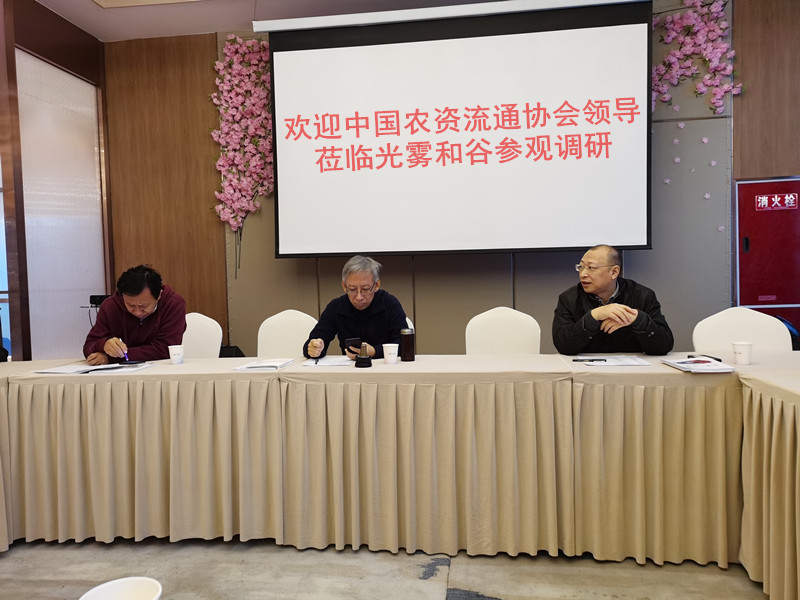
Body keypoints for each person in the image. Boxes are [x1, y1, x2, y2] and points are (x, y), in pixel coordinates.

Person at [552, 244, 674, 355]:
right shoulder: (569, 299)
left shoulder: (642, 296)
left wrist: (638, 320)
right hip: (585, 369)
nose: (583, 274)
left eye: (591, 267)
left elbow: (664, 346)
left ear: (614, 272)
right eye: (581, 267)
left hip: (631, 370)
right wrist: (593, 317)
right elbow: (563, 346)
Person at [304, 255, 407, 360]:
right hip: (350, 368)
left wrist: (375, 351)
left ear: (376, 285)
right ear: (344, 286)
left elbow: (405, 345)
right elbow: (311, 344)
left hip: (386, 366)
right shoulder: (336, 307)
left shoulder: (390, 304)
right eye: (352, 289)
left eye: (365, 289)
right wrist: (315, 349)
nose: (359, 297)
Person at [83, 265, 186, 365]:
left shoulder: (174, 304)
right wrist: (104, 345)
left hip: (160, 369)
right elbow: (89, 346)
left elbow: (164, 349)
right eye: (130, 305)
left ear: (159, 295)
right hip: (119, 373)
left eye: (143, 306)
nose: (137, 312)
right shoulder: (110, 306)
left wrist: (112, 358)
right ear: (122, 296)